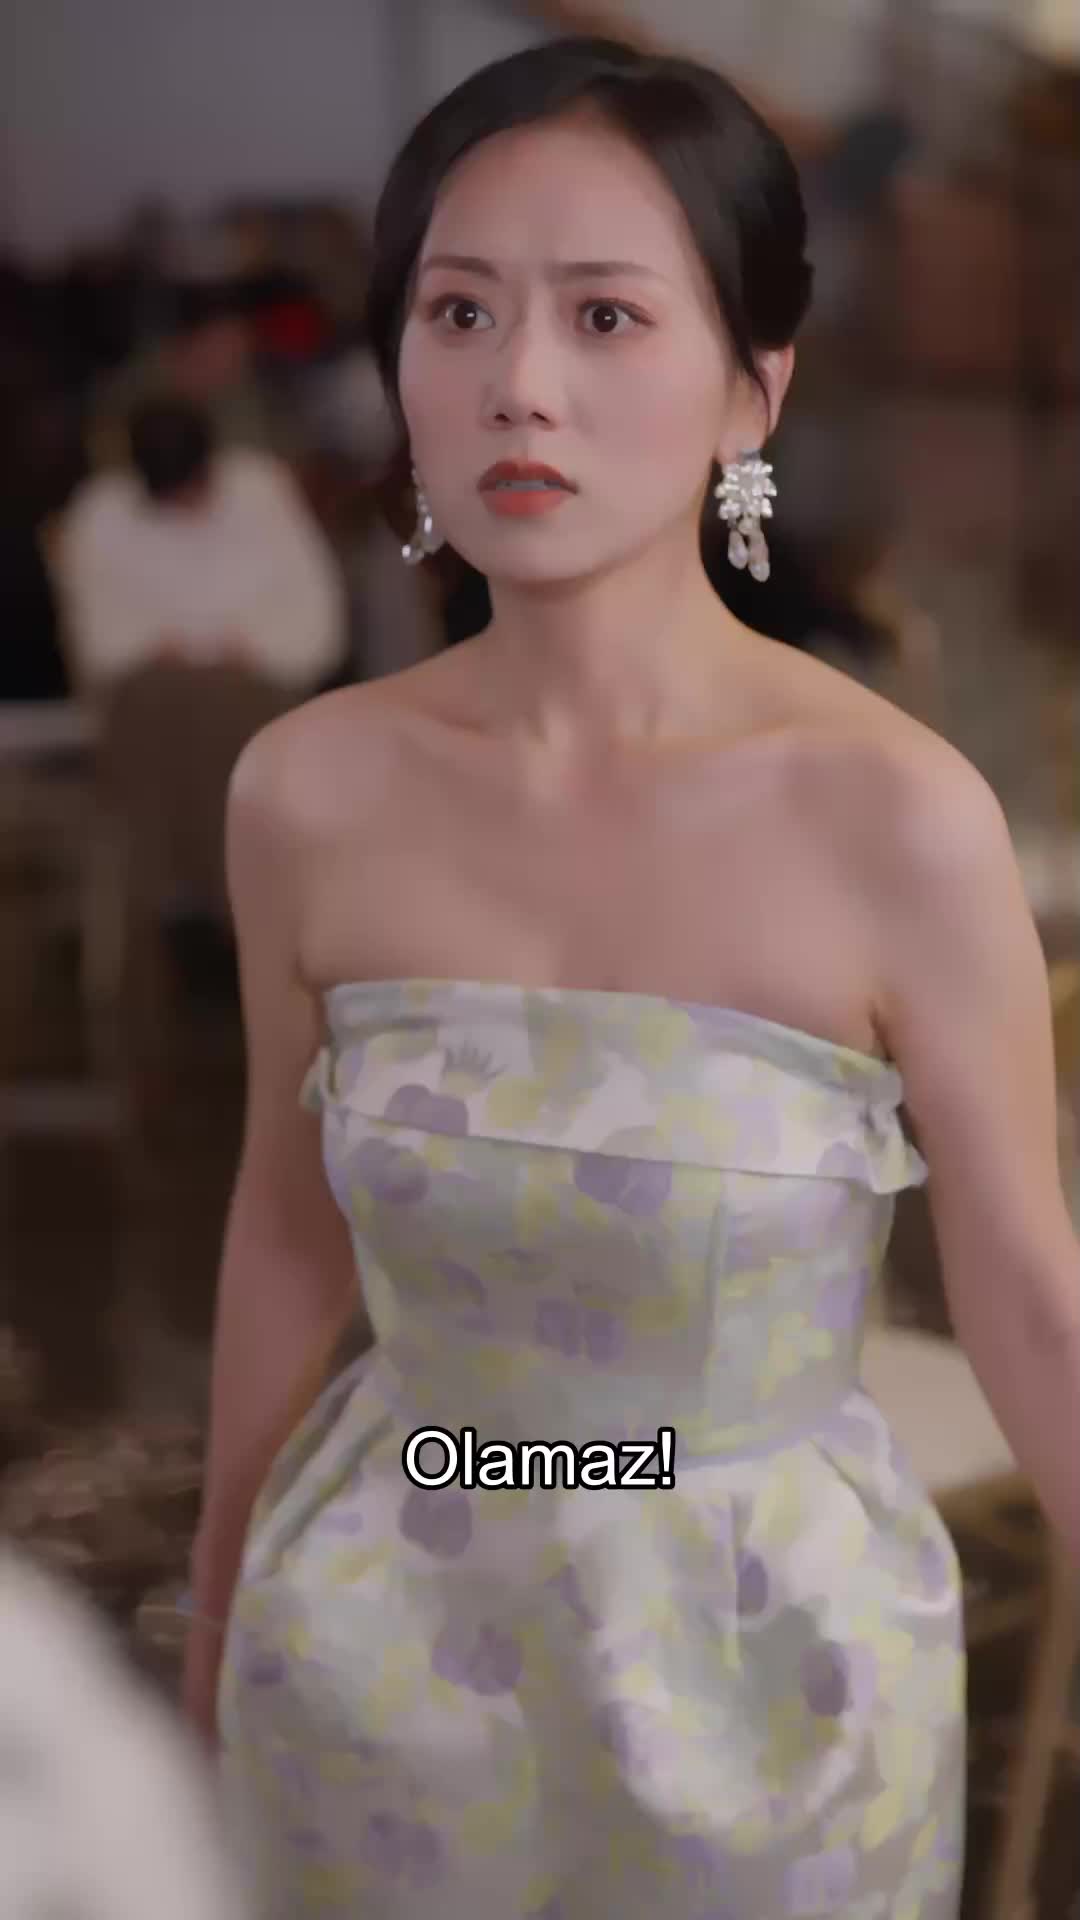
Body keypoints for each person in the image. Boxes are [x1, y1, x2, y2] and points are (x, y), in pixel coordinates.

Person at [186, 37, 1080, 1920]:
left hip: (773, 1682)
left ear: (754, 384)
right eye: (460, 312)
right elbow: (284, 1225)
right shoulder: (307, 794)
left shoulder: (895, 817)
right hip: (376, 1649)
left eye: (605, 316)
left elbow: (1024, 1298)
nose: (521, 384)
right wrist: (212, 1603)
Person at [52, 396, 347, 696]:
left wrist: (257, 650)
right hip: (151, 694)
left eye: (190, 492)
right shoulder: (100, 510)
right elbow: (95, 641)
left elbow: (319, 624)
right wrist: (154, 652)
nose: (183, 505)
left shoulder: (262, 487)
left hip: (260, 685)